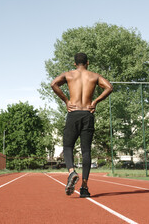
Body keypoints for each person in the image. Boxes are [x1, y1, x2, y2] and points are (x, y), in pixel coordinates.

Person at [51, 52, 113, 198]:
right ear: (88, 62)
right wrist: (95, 102)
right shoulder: (94, 76)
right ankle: (84, 187)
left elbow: (53, 84)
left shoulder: (69, 75)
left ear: (74, 63)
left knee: (67, 146)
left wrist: (66, 101)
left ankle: (72, 171)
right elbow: (109, 87)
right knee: (86, 151)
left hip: (73, 114)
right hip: (87, 114)